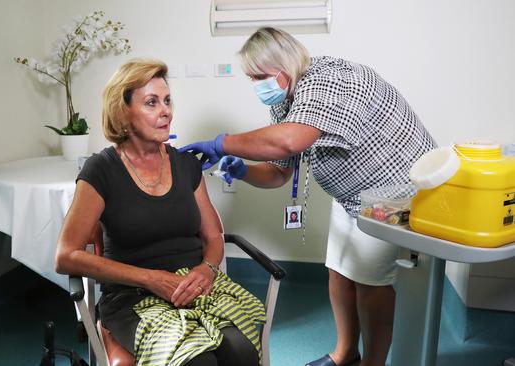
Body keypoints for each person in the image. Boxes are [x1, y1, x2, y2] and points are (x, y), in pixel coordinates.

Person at [180, 27, 437, 366]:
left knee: (371, 283)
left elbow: (290, 141)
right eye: (251, 78)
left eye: (259, 76)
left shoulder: (329, 80)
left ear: (283, 69)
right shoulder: (287, 100)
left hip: (394, 193)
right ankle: (345, 353)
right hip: (353, 199)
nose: (256, 85)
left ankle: (372, 363)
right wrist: (242, 169)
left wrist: (220, 142)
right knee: (339, 272)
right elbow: (278, 171)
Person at [55, 59, 264, 366]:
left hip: (194, 286)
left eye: (167, 101)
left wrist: (205, 270)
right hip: (133, 297)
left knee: (242, 351)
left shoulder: (186, 165)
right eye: (151, 103)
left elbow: (213, 236)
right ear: (123, 112)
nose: (166, 111)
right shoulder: (101, 170)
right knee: (197, 363)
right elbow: (65, 256)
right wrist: (151, 279)